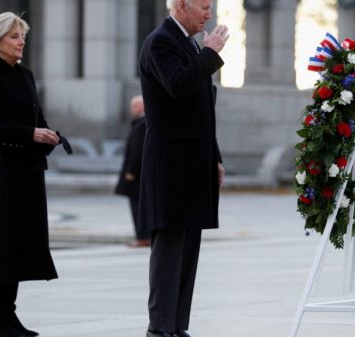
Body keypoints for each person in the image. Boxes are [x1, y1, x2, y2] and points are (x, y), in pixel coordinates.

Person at [0, 12, 63, 337]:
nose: (21, 42)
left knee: (19, 244)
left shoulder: (26, 75)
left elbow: (37, 119)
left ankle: (8, 317)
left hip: (26, 172)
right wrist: (30, 135)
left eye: (22, 36)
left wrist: (49, 135)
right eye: (14, 36)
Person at [138, 0, 229, 336]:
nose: (209, 14)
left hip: (194, 162)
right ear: (180, 6)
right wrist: (209, 54)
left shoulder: (190, 43)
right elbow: (177, 85)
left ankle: (177, 327)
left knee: (189, 249)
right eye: (203, 7)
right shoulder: (161, 41)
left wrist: (214, 156)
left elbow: (201, 108)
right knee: (169, 249)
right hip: (170, 165)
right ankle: (159, 329)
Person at [115, 95, 150, 248]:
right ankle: (143, 236)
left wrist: (131, 171)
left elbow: (138, 150)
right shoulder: (142, 123)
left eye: (134, 106)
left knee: (137, 207)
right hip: (140, 174)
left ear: (141, 106)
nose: (132, 110)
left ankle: (143, 237)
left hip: (136, 176)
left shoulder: (141, 124)